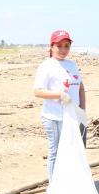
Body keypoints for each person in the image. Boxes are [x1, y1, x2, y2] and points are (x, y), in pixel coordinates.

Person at [33, 30, 87, 182]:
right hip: (54, 117)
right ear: (51, 46)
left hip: (73, 117)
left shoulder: (72, 65)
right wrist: (59, 95)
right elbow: (37, 92)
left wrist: (82, 110)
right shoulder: (47, 66)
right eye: (59, 46)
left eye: (67, 46)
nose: (63, 50)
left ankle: (66, 183)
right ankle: (54, 188)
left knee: (72, 152)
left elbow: (81, 88)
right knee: (55, 153)